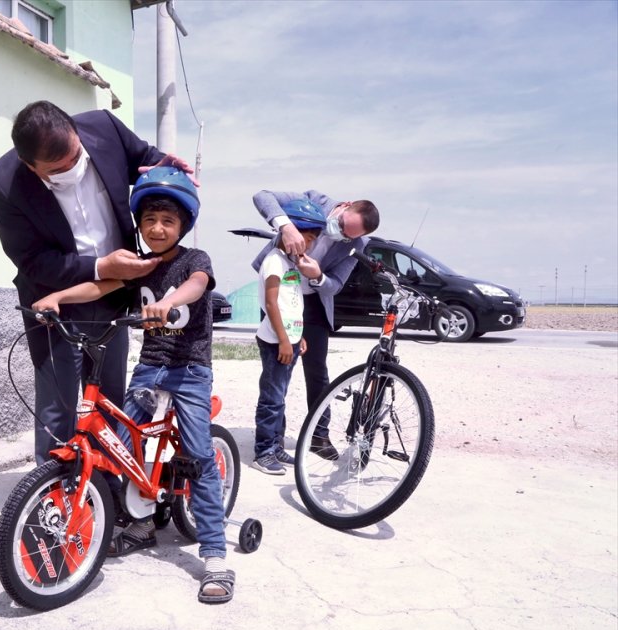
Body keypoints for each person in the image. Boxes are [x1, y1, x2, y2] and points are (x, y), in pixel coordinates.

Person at [33, 168, 234, 605]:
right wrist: (60, 298)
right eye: (149, 221)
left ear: (183, 226)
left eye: (168, 221)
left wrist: (167, 301)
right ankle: (141, 523)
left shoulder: (194, 262)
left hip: (189, 371)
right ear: (139, 224)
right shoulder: (141, 265)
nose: (157, 228)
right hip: (149, 369)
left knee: (199, 456)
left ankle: (216, 556)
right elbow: (100, 285)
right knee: (121, 448)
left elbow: (197, 287)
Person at [0, 101, 194, 464]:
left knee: (109, 398)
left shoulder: (103, 128)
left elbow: (145, 158)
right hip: (54, 303)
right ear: (29, 165)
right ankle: (54, 499)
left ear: (76, 134)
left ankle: (109, 491)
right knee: (58, 405)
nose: (71, 170)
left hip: (114, 295)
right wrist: (100, 265)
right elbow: (32, 261)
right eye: (56, 170)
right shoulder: (4, 184)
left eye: (74, 157)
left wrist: (168, 167)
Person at [251, 190, 380, 460]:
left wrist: (319, 276)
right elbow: (262, 196)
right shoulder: (313, 202)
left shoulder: (358, 244)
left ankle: (318, 435)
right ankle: (272, 439)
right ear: (344, 206)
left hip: (312, 306)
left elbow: (336, 285)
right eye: (342, 225)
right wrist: (285, 227)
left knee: (318, 373)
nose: (342, 234)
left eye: (349, 235)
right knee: (276, 373)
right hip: (280, 297)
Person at [252, 201, 326, 475]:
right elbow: (271, 304)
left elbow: (291, 302)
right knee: (271, 398)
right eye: (307, 238)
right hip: (275, 341)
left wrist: (298, 336)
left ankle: (276, 445)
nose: (308, 245)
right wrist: (284, 340)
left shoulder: (289, 262)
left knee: (280, 396)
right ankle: (263, 452)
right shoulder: (273, 260)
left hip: (289, 339)